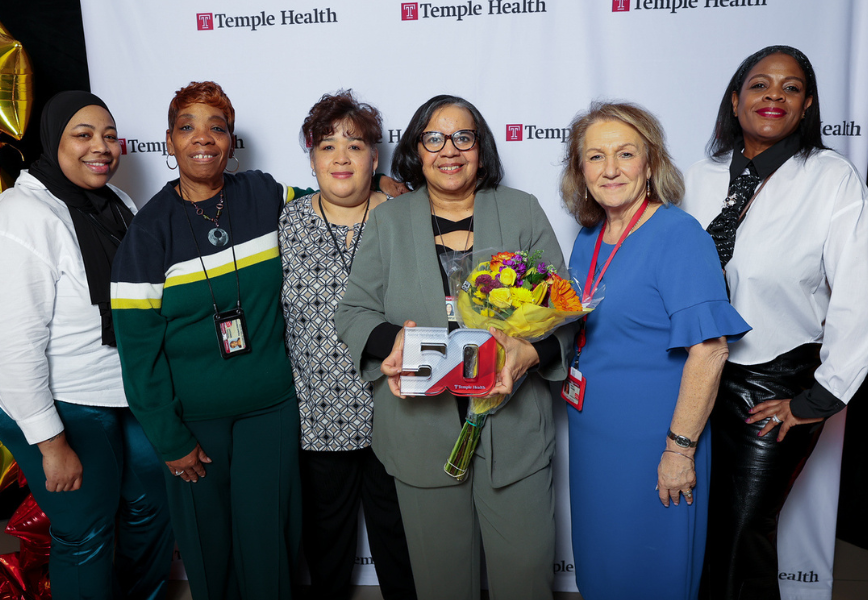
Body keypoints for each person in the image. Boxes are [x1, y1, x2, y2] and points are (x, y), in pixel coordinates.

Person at [335, 94, 575, 600]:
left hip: (514, 438)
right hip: (420, 434)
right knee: (442, 584)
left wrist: (530, 354)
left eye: (463, 137)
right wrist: (395, 341)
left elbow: (567, 313)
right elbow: (354, 311)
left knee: (526, 580)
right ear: (416, 151)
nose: (450, 150)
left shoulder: (521, 210)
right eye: (434, 138)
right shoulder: (388, 221)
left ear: (481, 150)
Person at [0, 91, 174, 599]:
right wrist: (51, 443)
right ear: (53, 141)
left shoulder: (116, 203)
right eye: (82, 135)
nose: (100, 147)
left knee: (152, 505)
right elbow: (8, 346)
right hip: (49, 397)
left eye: (108, 135)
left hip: (114, 385)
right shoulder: (16, 217)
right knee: (85, 531)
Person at [683, 46, 868, 600]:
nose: (773, 96)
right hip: (694, 375)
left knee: (744, 533)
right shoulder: (701, 174)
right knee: (701, 527)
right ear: (735, 100)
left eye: (790, 88)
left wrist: (818, 397)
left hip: (774, 377)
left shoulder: (832, 178)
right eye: (760, 84)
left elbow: (860, 293)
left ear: (807, 105)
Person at [110, 81, 302, 600]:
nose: (203, 139)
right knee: (207, 544)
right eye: (187, 127)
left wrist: (381, 185)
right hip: (194, 422)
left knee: (270, 539)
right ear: (169, 141)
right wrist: (170, 440)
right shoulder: (147, 232)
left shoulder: (262, 193)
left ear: (231, 141)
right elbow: (138, 350)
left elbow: (329, 201)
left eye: (217, 128)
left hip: (271, 408)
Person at [561, 102, 750, 600]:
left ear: (651, 163)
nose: (611, 169)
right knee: (604, 568)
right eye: (595, 157)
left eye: (626, 154)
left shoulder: (678, 236)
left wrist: (679, 450)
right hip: (594, 436)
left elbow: (709, 352)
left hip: (656, 441)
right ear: (580, 171)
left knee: (652, 570)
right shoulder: (588, 238)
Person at [279, 90, 417, 600]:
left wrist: (389, 188)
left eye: (355, 145)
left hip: (396, 408)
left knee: (399, 543)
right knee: (327, 548)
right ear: (312, 158)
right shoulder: (287, 220)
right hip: (319, 416)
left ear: (374, 157)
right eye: (327, 145)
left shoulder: (405, 217)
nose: (341, 157)